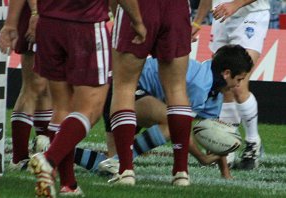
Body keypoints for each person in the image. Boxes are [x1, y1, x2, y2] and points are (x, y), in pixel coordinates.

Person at [75, 44, 254, 179]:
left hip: (139, 95)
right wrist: (200, 157)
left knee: (109, 169)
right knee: (173, 124)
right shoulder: (200, 86)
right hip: (124, 89)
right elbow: (181, 129)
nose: (238, 85)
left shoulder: (215, 94)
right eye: (239, 79)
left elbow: (215, 133)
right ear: (226, 73)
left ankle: (58, 151)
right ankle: (119, 159)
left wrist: (225, 173)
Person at [25, 0, 145, 197]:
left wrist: (34, 12)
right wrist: (137, 21)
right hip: (85, 24)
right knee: (90, 109)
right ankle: (49, 160)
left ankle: (68, 184)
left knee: (62, 108)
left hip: (48, 24)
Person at [110, 0, 193, 186]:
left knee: (124, 87)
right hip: (176, 7)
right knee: (177, 88)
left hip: (139, 6)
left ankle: (125, 171)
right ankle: (181, 172)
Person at [192, 0, 270, 170]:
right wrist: (197, 21)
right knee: (224, 85)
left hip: (251, 16)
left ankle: (252, 142)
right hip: (221, 17)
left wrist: (235, 4)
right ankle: (228, 146)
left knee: (238, 83)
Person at [0, 0, 52, 170]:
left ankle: (44, 155)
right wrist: (35, 11)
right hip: (37, 14)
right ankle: (19, 158)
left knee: (47, 88)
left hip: (57, 15)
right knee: (34, 84)